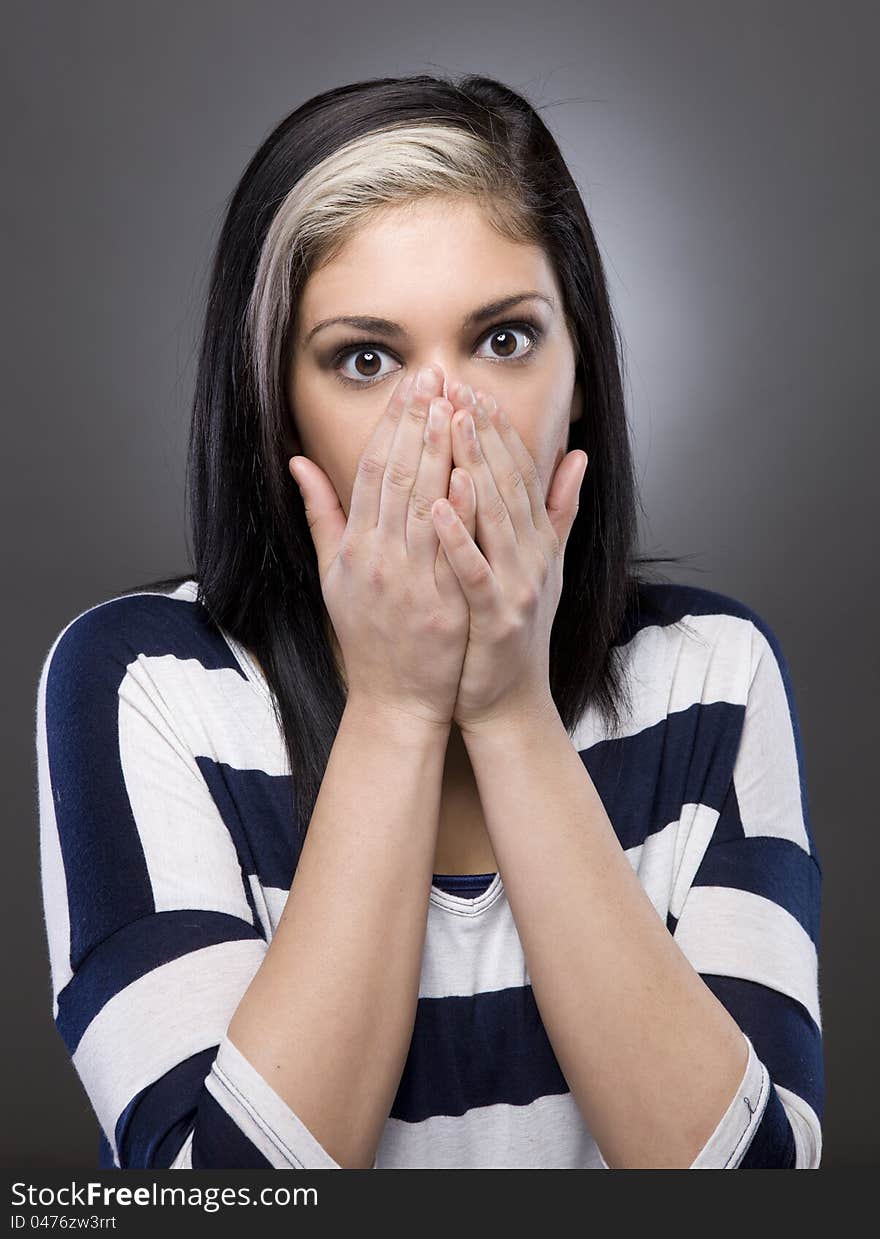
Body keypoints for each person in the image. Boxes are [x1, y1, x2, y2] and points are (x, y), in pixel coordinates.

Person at [34, 73, 824, 1170]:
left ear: (580, 369)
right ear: (278, 405)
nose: (444, 424)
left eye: (502, 341)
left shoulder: (711, 677)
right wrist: (399, 707)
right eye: (366, 360)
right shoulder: (143, 684)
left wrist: (507, 710)